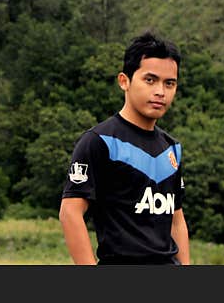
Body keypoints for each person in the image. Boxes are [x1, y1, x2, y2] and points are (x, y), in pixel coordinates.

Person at [59, 30, 190, 265]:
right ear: (125, 81)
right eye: (150, 80)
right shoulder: (99, 141)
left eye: (169, 83)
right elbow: (70, 213)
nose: (160, 91)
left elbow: (176, 220)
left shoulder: (171, 148)